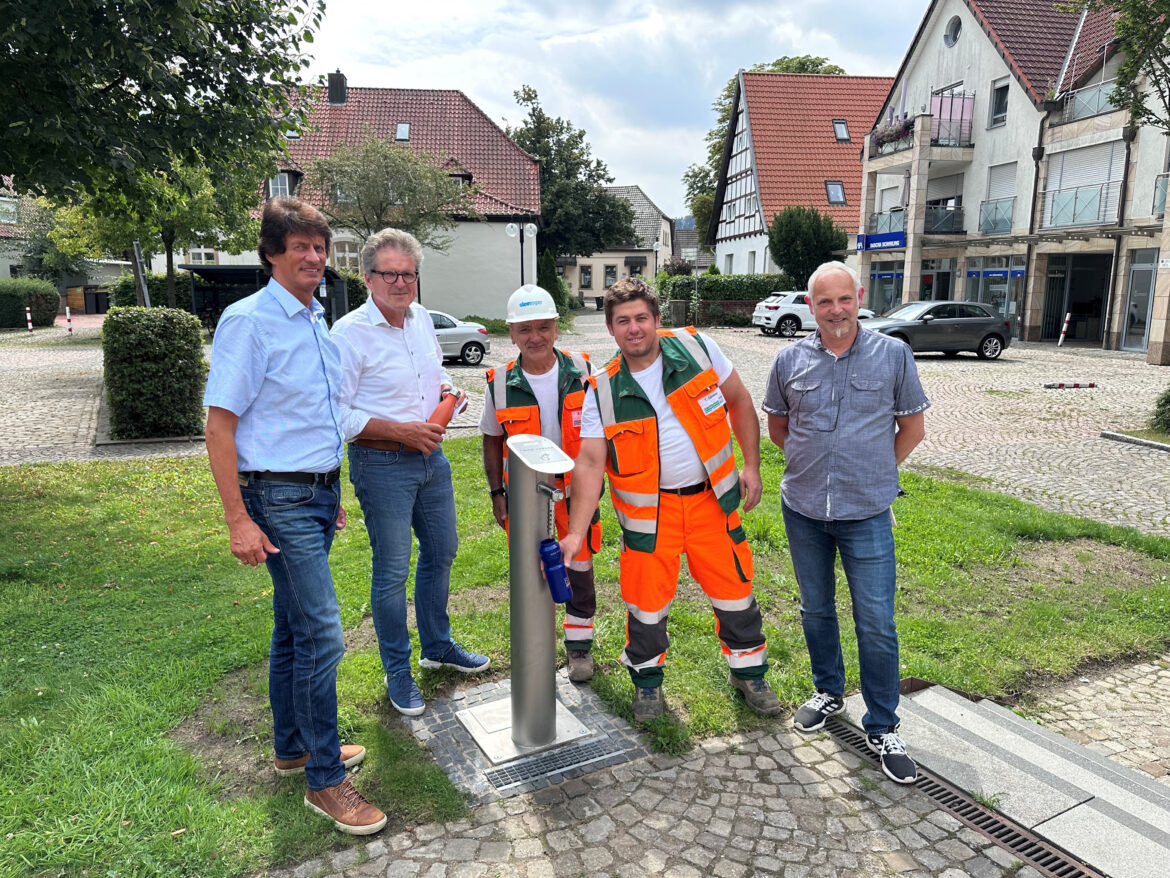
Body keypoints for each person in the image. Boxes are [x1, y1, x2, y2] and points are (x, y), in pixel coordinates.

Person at [204, 197, 385, 835]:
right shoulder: (248, 321)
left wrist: (327, 492)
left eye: (319, 246)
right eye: (300, 246)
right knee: (325, 636)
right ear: (272, 253)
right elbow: (219, 425)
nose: (313, 257)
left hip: (314, 494)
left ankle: (293, 747)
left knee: (293, 630)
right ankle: (327, 781)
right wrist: (237, 519)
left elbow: (318, 412)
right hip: (274, 498)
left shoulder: (314, 318)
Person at [559, 277, 781, 722]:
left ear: (657, 320)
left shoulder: (698, 349)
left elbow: (739, 401)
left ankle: (750, 674)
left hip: (711, 504)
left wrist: (752, 466)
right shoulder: (600, 390)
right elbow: (587, 463)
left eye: (642, 318)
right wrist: (577, 532)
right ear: (610, 330)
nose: (634, 328)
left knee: (734, 591)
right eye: (623, 321)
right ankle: (647, 687)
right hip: (648, 521)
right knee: (645, 603)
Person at [763, 260, 928, 785]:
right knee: (816, 609)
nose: (835, 311)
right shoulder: (788, 359)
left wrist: (873, 470)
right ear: (810, 307)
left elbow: (912, 427)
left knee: (876, 620)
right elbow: (778, 426)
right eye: (823, 302)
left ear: (859, 297)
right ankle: (829, 692)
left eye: (843, 299)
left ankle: (882, 725)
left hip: (868, 511)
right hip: (804, 509)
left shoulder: (894, 355)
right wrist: (816, 467)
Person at [331, 228, 489, 718]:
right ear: (367, 278)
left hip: (430, 460)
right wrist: (402, 432)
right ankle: (397, 669)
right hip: (381, 464)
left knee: (442, 551)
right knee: (392, 570)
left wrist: (447, 391)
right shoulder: (347, 334)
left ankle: (436, 645)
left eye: (409, 274)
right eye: (390, 274)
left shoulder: (420, 319)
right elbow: (337, 415)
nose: (401, 283)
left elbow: (430, 373)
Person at [481, 285, 602, 682]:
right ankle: (535, 652)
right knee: (531, 574)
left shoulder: (583, 372)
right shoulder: (499, 383)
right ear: (512, 333)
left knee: (579, 571)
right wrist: (497, 492)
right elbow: (491, 438)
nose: (536, 337)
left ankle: (579, 650)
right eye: (526, 329)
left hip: (575, 496)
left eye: (544, 327)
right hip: (524, 498)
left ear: (556, 328)